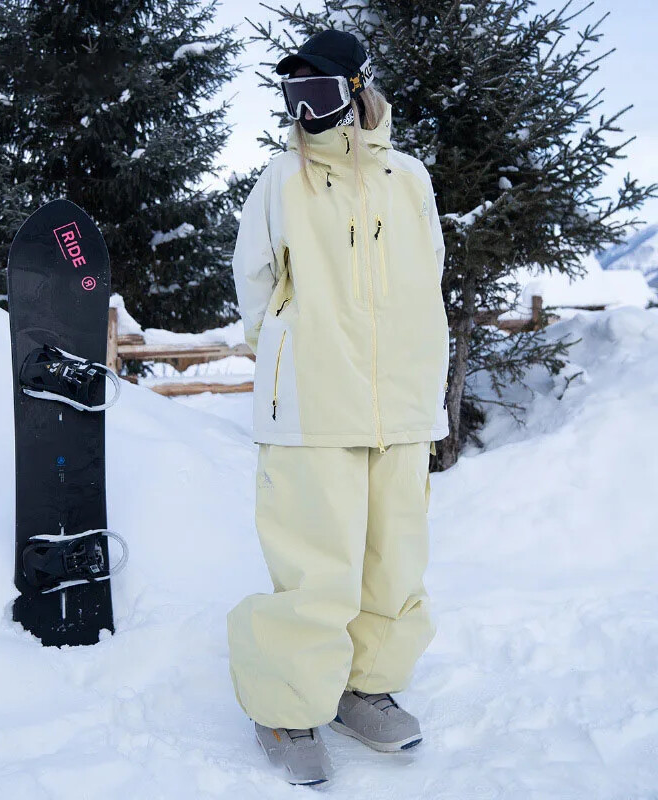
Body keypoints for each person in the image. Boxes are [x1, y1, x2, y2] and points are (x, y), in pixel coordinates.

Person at [227, 29, 449, 786]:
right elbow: (254, 279)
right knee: (318, 564)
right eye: (294, 96)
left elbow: (428, 270)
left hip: (401, 399)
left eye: (319, 92)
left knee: (394, 561)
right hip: (313, 399)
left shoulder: (409, 178)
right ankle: (285, 706)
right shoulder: (279, 180)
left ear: (357, 91)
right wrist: (287, 352)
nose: (306, 112)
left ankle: (365, 686)